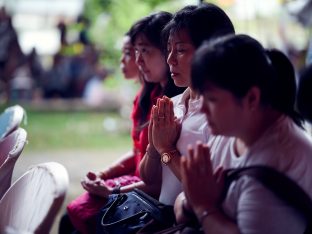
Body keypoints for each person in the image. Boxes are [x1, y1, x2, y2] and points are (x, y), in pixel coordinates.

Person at [59, 11, 184, 234]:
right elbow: (138, 154)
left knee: (78, 221)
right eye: (135, 51)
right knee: (72, 217)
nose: (137, 60)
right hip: (139, 188)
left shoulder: (174, 107)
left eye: (144, 51)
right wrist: (105, 176)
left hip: (153, 200)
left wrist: (112, 190)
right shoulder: (149, 95)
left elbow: (156, 182)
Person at [176, 34, 312, 234]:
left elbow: (192, 203)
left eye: (212, 99)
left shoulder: (277, 165)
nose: (202, 109)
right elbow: (180, 207)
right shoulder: (230, 132)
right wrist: (193, 202)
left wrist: (204, 208)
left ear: (252, 98)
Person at [139, 2, 235, 207]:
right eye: (168, 50)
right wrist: (154, 147)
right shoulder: (171, 105)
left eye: (181, 50)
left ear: (211, 51)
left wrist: (167, 149)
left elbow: (209, 194)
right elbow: (148, 178)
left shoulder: (221, 117)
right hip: (163, 216)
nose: (171, 60)